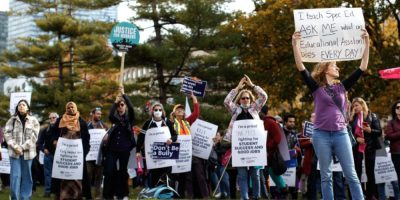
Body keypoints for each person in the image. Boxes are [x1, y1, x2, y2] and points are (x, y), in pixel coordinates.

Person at [292, 29, 369, 199]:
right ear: (326, 69)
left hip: (341, 134)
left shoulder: (342, 87)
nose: (338, 67)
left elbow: (362, 67)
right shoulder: (316, 88)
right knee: (326, 176)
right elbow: (301, 67)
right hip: (321, 135)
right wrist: (295, 44)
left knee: (351, 174)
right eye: (334, 65)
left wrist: (367, 43)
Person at [223, 75, 267, 200]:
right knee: (242, 175)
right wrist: (238, 88)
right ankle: (244, 197)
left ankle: (256, 196)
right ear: (239, 100)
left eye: (247, 98)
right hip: (240, 147)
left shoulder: (255, 109)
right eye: (243, 98)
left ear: (250, 99)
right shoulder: (235, 110)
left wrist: (252, 86)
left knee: (255, 174)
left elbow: (264, 96)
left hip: (254, 147)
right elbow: (226, 101)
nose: (245, 100)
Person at [51, 102, 91, 200]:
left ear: (76, 108)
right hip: (63, 156)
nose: (70, 109)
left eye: (72, 107)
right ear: (66, 109)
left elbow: (86, 138)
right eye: (68, 107)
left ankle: (77, 196)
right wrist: (54, 140)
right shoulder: (60, 120)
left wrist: (83, 153)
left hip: (76, 156)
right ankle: (62, 196)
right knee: (63, 176)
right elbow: (53, 133)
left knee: (77, 177)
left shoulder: (82, 122)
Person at [103, 86, 136, 200]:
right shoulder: (115, 119)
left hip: (124, 149)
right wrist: (115, 102)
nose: (120, 107)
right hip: (112, 149)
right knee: (109, 171)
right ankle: (108, 195)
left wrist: (124, 95)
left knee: (123, 172)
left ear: (125, 106)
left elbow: (131, 109)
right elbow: (110, 115)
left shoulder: (129, 119)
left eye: (122, 105)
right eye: (119, 105)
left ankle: (123, 194)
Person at [170, 93, 205, 198]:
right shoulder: (170, 124)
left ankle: (189, 195)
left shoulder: (187, 121)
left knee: (188, 176)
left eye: (182, 109)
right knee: (178, 176)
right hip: (176, 152)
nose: (180, 110)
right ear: (174, 113)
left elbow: (196, 113)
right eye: (178, 109)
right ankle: (177, 195)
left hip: (187, 153)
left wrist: (194, 99)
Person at [4, 99, 40, 200]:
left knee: (27, 177)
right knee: (15, 177)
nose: (21, 106)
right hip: (14, 153)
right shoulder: (12, 120)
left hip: (28, 154)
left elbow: (34, 137)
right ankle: (15, 198)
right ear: (17, 108)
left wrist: (22, 147)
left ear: (27, 107)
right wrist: (15, 147)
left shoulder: (34, 120)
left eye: (24, 105)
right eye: (19, 105)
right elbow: (7, 134)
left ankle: (25, 197)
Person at [136, 102, 177, 187]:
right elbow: (141, 138)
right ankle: (155, 194)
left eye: (160, 110)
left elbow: (175, 135)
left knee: (168, 175)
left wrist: (171, 139)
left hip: (167, 154)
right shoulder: (148, 123)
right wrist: (137, 151)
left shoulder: (167, 122)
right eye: (156, 110)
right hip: (154, 156)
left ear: (162, 111)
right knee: (154, 175)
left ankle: (169, 194)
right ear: (152, 111)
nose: (158, 111)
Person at [350, 97, 382, 199]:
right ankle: (358, 196)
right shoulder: (352, 119)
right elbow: (348, 134)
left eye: (356, 105)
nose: (354, 108)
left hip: (369, 149)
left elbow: (379, 132)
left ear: (362, 105)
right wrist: (356, 138)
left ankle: (370, 195)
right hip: (356, 150)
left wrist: (370, 130)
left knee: (370, 173)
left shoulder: (373, 116)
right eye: (353, 106)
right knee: (356, 173)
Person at [259, 105, 285, 199]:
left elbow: (278, 138)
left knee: (275, 175)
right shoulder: (256, 122)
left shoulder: (270, 122)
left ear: (263, 112)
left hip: (270, 156)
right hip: (258, 155)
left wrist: (266, 148)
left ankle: (284, 192)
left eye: (258, 110)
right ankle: (260, 194)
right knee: (257, 175)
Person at [86, 107, 108, 200]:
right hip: (88, 156)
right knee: (88, 175)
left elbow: (108, 139)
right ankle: (87, 195)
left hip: (100, 155)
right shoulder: (86, 126)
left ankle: (97, 196)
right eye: (97, 114)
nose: (99, 115)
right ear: (93, 114)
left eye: (100, 114)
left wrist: (107, 139)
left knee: (99, 176)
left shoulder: (104, 126)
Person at [37, 112, 59, 197]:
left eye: (54, 117)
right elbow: (39, 143)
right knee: (47, 174)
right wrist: (43, 149)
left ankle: (57, 192)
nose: (52, 119)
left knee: (58, 174)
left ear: (57, 119)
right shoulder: (45, 130)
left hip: (59, 155)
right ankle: (47, 192)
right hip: (48, 155)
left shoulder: (61, 130)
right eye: (50, 118)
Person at [385, 100, 400, 199]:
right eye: (397, 107)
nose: (399, 109)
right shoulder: (391, 122)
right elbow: (389, 136)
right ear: (394, 110)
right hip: (396, 153)